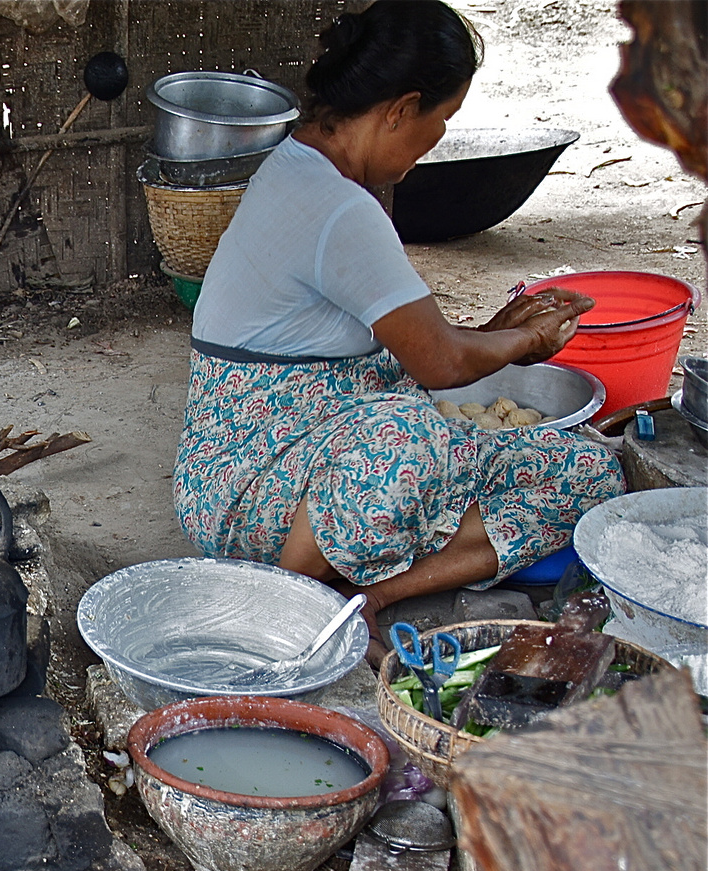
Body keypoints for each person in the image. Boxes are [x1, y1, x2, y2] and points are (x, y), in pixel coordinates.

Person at [175, 0, 624, 665]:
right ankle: (286, 594)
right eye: (441, 121)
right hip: (246, 487)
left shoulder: (308, 163)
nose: (435, 140)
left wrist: (495, 332)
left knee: (587, 470)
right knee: (408, 434)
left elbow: (420, 342)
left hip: (326, 453)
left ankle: (375, 596)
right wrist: (525, 342)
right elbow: (439, 362)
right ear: (399, 109)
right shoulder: (334, 206)